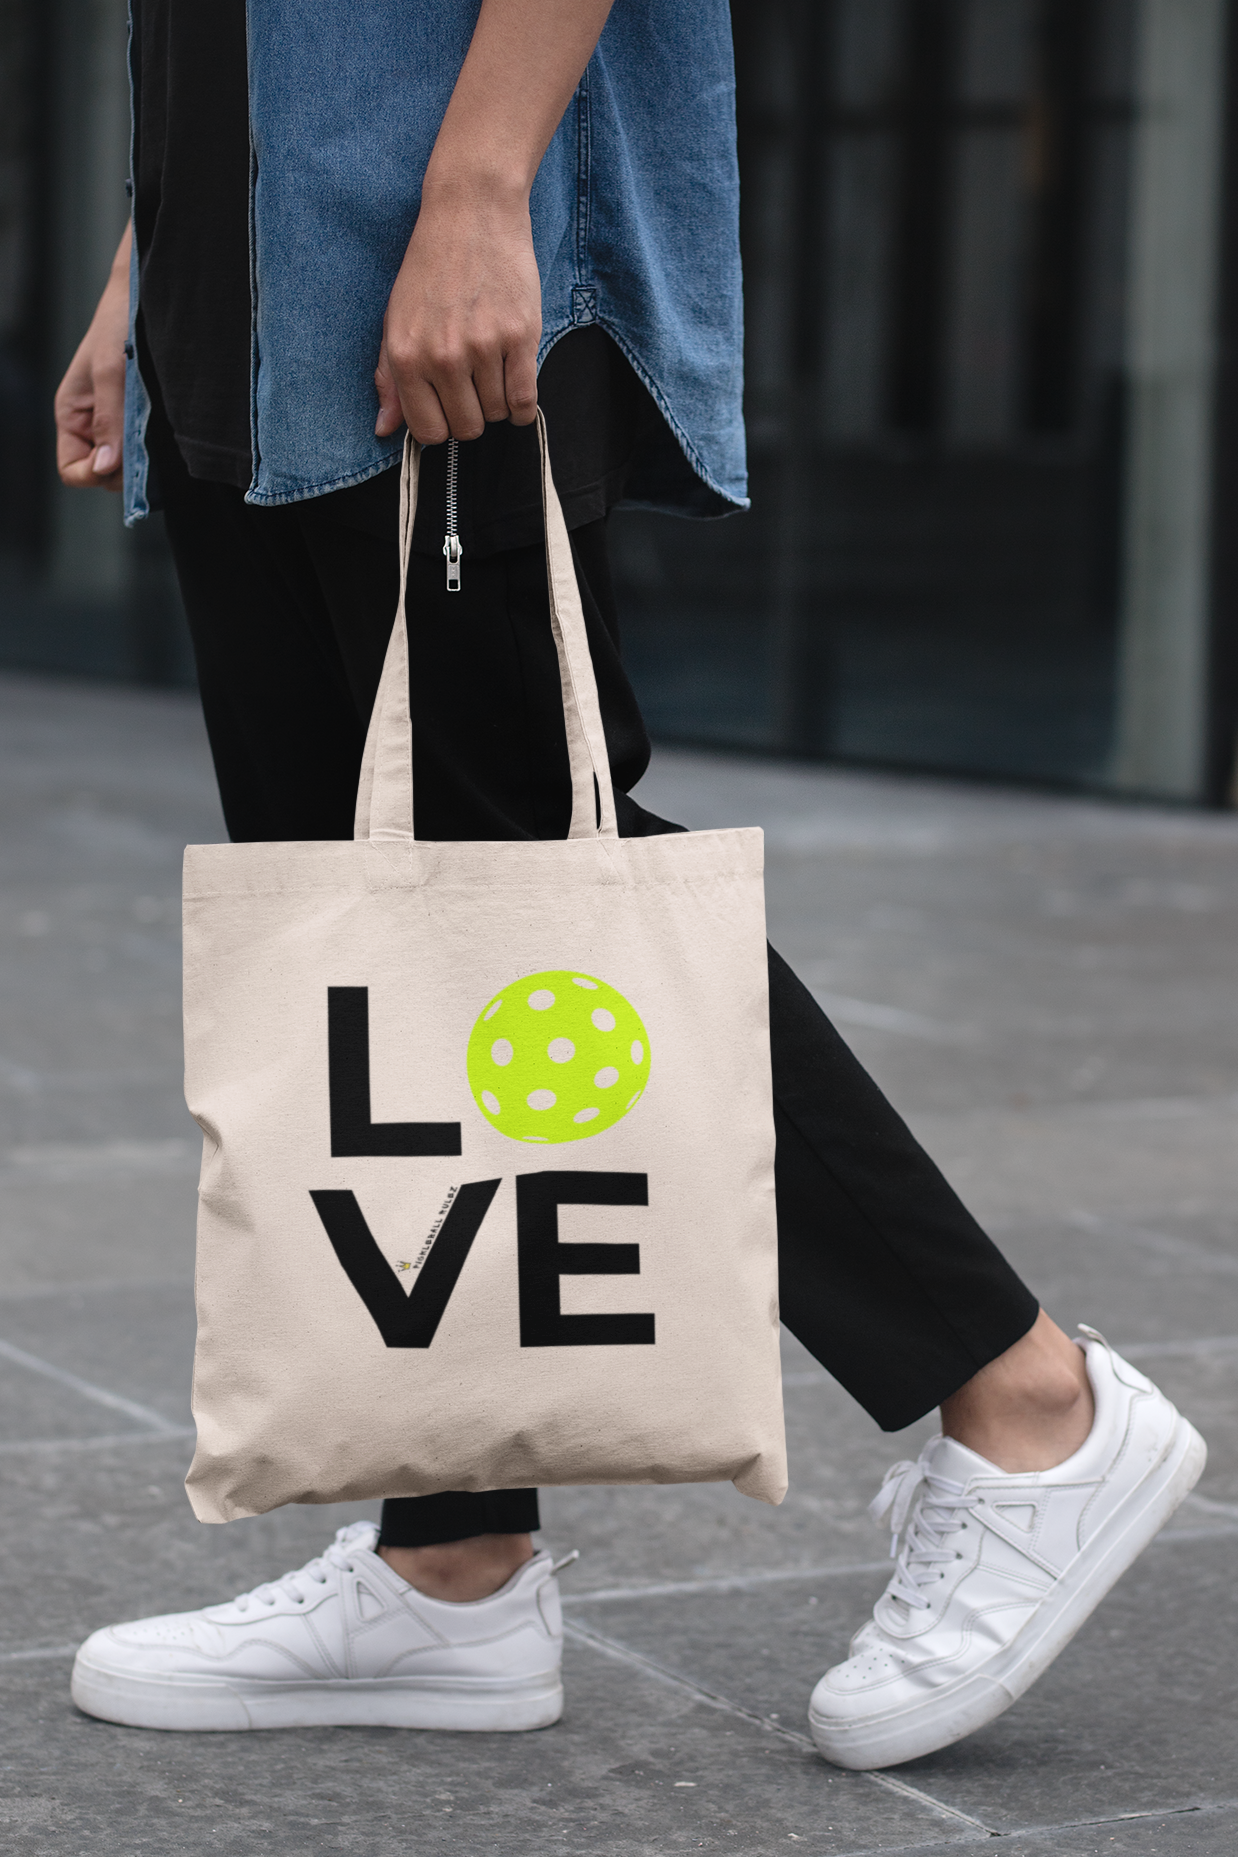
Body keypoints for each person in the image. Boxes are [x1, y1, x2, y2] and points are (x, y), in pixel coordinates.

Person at [54, 0, 1203, 1769]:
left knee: (519, 861)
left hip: (425, 226)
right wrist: (152, 251)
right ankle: (449, 1567)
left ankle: (1025, 1397)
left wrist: (479, 186)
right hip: (241, 269)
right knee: (345, 884)